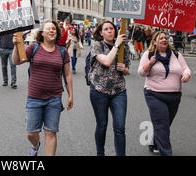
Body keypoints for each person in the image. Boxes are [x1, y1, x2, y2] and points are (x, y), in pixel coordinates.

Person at [12, 20, 73, 156]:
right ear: (42, 33)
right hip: (34, 98)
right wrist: (16, 46)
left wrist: (70, 95)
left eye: (54, 29)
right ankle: (35, 145)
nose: (52, 31)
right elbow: (16, 61)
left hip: (54, 98)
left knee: (51, 132)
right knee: (31, 133)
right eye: (48, 29)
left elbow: (67, 75)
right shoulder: (33, 48)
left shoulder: (62, 52)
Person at [138, 31, 191, 156]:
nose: (164, 40)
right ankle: (166, 153)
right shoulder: (149, 54)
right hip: (154, 94)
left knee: (165, 124)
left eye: (165, 38)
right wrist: (150, 63)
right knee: (162, 125)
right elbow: (141, 72)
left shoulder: (176, 54)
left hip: (174, 95)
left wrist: (187, 74)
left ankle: (155, 142)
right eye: (160, 38)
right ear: (154, 42)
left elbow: (185, 68)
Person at [88, 20, 130, 156]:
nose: (110, 31)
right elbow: (106, 61)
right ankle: (100, 153)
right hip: (99, 91)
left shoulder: (124, 47)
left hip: (119, 91)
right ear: (101, 33)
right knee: (102, 125)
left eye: (112, 28)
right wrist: (116, 44)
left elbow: (126, 68)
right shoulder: (96, 45)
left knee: (120, 127)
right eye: (106, 29)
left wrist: (125, 69)